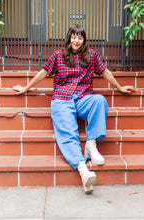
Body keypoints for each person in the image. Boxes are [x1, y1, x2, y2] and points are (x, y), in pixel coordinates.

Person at [13, 24, 135, 194]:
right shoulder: (58, 56)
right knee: (68, 131)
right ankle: (83, 170)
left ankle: (91, 144)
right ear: (69, 38)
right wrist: (26, 88)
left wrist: (119, 87)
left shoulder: (91, 56)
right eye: (74, 37)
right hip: (62, 100)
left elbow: (105, 72)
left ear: (84, 40)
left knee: (99, 101)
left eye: (80, 37)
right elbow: (43, 72)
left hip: (83, 98)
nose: (76, 40)